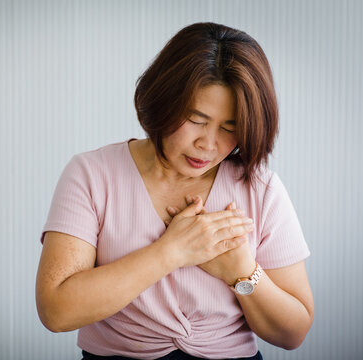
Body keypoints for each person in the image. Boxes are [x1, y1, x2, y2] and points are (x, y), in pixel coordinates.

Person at [36, 22, 314, 360]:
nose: (208, 144)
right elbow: (56, 311)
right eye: (196, 120)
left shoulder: (261, 188)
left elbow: (293, 333)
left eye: (230, 128)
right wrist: (171, 252)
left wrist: (242, 271)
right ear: (163, 100)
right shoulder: (93, 174)